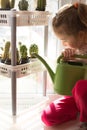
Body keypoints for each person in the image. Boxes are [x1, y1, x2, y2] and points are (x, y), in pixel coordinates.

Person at [41, 2, 87, 130]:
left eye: (65, 40)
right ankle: (81, 111)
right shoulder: (74, 50)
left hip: (84, 92)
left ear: (81, 35)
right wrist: (67, 59)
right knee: (47, 116)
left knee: (81, 87)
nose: (63, 44)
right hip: (76, 98)